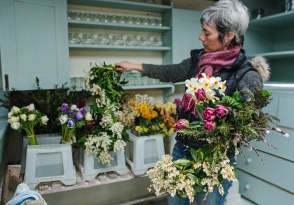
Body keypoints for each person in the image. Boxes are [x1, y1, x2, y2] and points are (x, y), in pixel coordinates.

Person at [115, 0, 270, 204]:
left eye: (207, 33)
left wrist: (226, 121)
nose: (201, 37)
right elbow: (172, 71)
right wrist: (135, 66)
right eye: (202, 31)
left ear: (229, 36)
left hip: (215, 159)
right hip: (183, 149)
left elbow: (250, 121)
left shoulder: (247, 76)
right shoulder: (199, 61)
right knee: (175, 201)